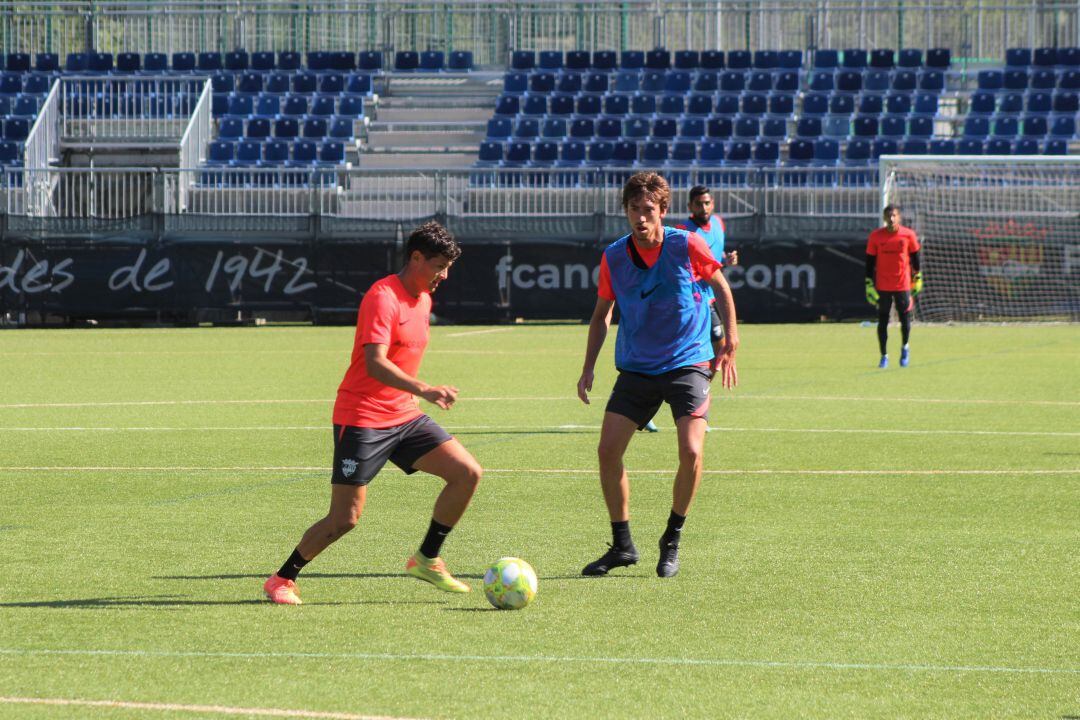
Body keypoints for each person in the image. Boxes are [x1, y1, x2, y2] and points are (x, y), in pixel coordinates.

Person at [263, 221, 482, 605]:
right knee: (344, 519)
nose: (443, 276)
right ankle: (282, 578)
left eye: (448, 268)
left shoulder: (424, 299)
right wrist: (425, 389)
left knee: (467, 473)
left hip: (403, 415)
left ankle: (427, 558)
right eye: (438, 266)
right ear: (416, 258)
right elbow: (375, 363)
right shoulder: (383, 297)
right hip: (362, 417)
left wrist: (412, 399)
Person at [576, 172, 739, 579]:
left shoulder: (687, 244)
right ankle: (622, 545)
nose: (641, 218)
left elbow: (719, 284)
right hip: (637, 366)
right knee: (607, 451)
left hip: (688, 362)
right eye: (634, 210)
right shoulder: (614, 256)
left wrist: (731, 339)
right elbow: (601, 315)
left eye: (649, 210)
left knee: (692, 451)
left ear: (663, 212)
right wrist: (588, 367)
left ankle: (672, 538)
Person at [865, 205, 923, 368]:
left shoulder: (908, 235)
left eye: (894, 215)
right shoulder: (876, 237)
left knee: (905, 320)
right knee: (882, 321)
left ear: (899, 218)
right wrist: (868, 283)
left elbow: (915, 258)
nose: (891, 219)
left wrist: (917, 277)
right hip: (883, 285)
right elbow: (870, 262)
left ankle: (905, 347)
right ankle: (884, 356)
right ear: (884, 218)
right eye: (888, 216)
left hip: (902, 284)